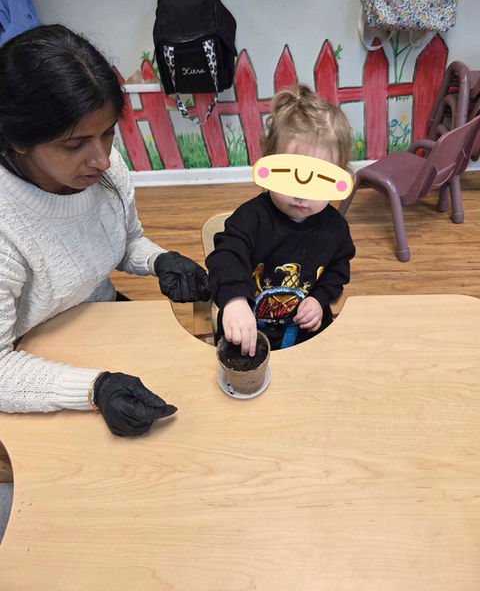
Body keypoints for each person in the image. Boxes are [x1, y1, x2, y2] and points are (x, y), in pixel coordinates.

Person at [0, 24, 210, 435]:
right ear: (18, 140)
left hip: (102, 315)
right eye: (74, 144)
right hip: (31, 362)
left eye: (108, 133)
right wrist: (94, 389)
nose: (102, 159)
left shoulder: (105, 171)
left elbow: (124, 240)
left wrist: (156, 259)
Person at [206, 84, 355, 356]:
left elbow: (338, 269)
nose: (302, 192)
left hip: (304, 330)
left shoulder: (336, 229)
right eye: (290, 175)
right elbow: (226, 257)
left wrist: (320, 300)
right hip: (247, 327)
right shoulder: (250, 219)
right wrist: (235, 301)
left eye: (319, 179)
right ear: (268, 165)